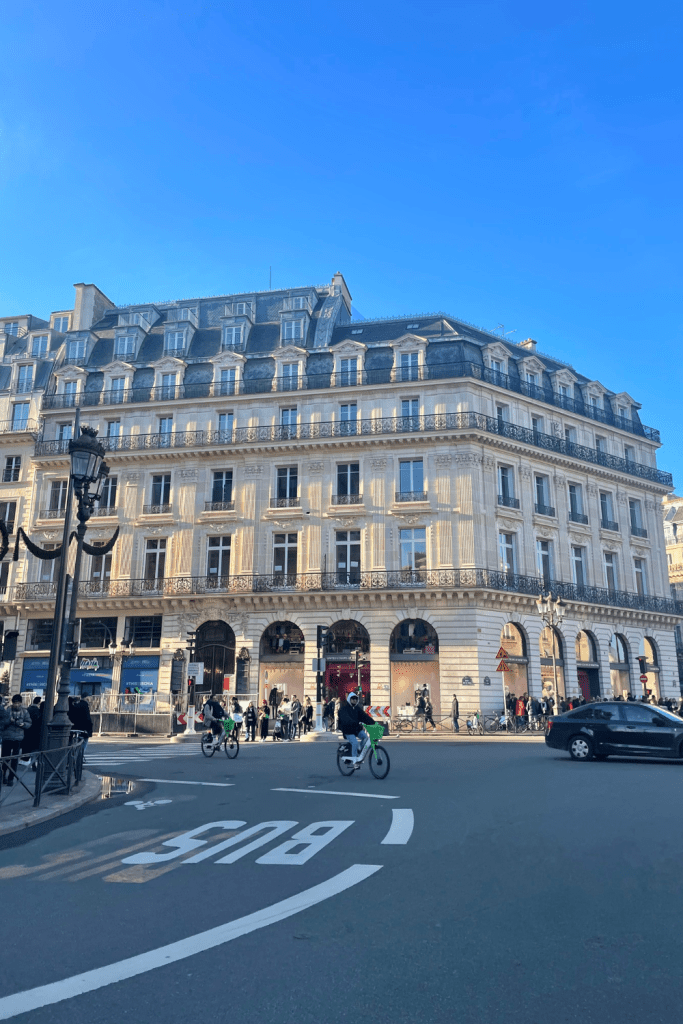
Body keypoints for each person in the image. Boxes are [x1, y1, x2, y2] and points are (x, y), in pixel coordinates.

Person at [338, 691, 374, 767]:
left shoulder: (357, 709)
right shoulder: (344, 709)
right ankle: (355, 762)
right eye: (352, 699)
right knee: (354, 742)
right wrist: (355, 722)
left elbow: (365, 717)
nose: (354, 700)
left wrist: (374, 723)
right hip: (348, 730)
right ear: (349, 699)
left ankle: (359, 750)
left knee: (365, 738)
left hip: (356, 729)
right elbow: (345, 718)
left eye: (356, 699)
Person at [1, 695, 31, 786]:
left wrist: (22, 724)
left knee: (14, 760)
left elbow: (29, 723)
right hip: (7, 737)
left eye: (18, 702)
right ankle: (3, 776)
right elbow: (2, 723)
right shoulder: (7, 710)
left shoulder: (25, 711)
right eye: (15, 702)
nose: (16, 704)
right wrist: (10, 721)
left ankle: (10, 778)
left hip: (17, 738)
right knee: (5, 758)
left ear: (21, 703)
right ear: (12, 702)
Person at [68, 694, 94, 760]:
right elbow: (88, 719)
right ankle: (79, 759)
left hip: (74, 728)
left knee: (73, 744)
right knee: (83, 744)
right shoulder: (85, 707)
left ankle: (72, 759)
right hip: (84, 729)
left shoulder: (74, 707)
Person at [23, 697, 42, 771]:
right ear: (39, 702)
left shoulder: (28, 709)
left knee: (30, 748)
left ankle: (32, 762)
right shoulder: (38, 711)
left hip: (28, 731)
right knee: (35, 749)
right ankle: (34, 763)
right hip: (36, 732)